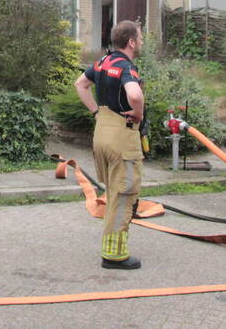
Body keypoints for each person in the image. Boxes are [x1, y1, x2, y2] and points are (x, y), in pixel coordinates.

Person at [74, 20, 146, 270]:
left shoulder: (102, 62)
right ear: (131, 42)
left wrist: (95, 112)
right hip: (121, 138)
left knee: (112, 191)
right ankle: (115, 255)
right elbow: (134, 94)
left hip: (101, 133)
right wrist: (138, 114)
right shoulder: (126, 66)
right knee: (123, 194)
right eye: (141, 38)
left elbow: (80, 84)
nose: (142, 42)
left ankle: (111, 248)